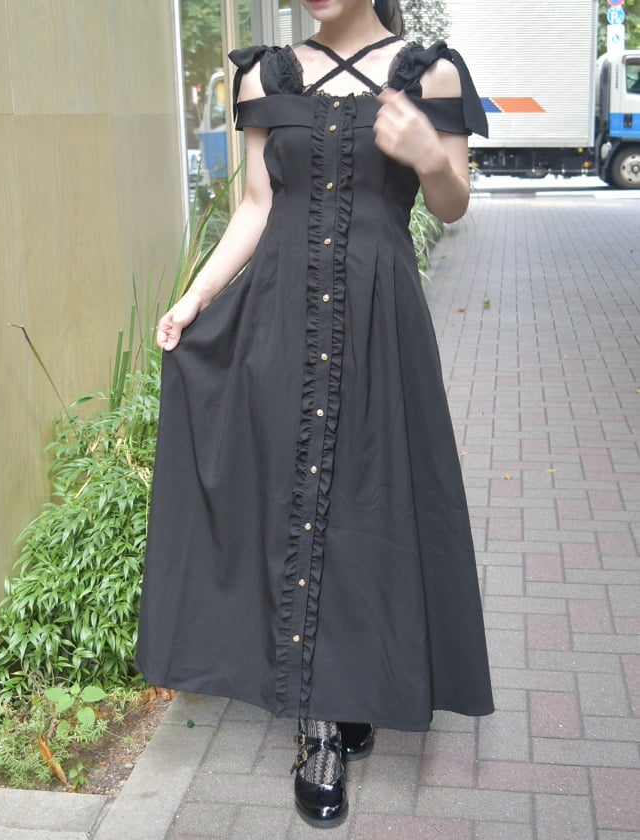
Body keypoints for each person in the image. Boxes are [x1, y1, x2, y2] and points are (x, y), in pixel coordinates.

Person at [136, 0, 494, 828]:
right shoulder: (266, 74)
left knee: (368, 508)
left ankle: (351, 687)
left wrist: (427, 156)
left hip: (379, 323)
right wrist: (195, 297)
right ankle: (323, 727)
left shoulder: (430, 73)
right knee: (294, 504)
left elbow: (452, 203)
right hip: (281, 319)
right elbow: (256, 207)